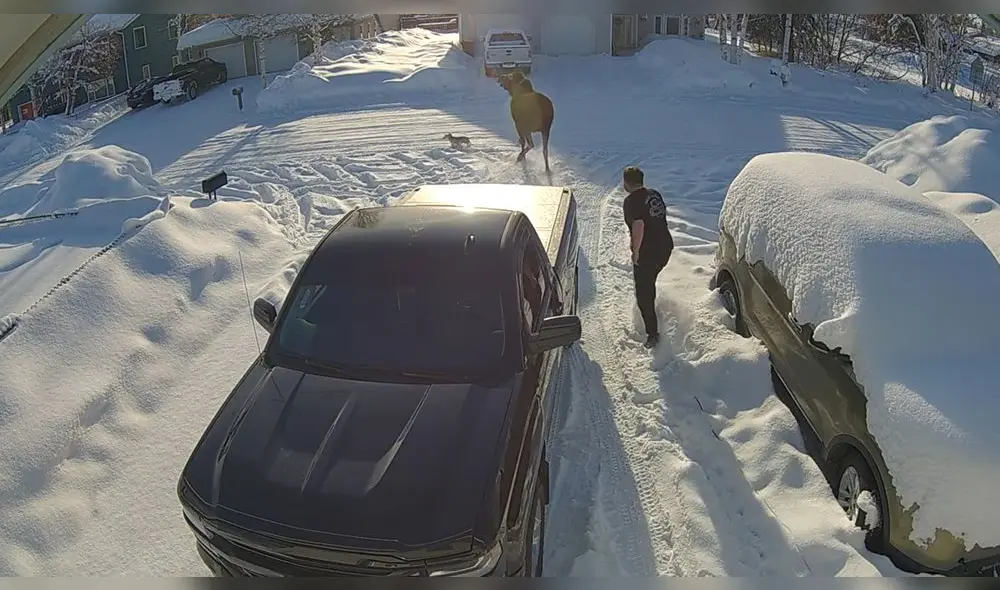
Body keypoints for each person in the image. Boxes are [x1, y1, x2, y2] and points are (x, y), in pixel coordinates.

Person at [622, 166, 673, 349]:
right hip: (665, 247)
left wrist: (636, 252)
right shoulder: (654, 194)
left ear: (626, 183)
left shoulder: (631, 202)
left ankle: (653, 334)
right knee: (649, 281)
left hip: (648, 253)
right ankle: (653, 311)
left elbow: (638, 227)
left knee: (644, 294)